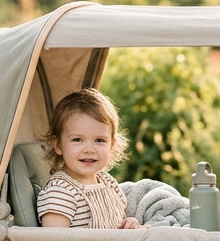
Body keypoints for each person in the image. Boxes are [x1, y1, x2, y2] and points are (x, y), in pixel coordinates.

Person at [36, 88, 143, 229]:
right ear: (58, 145)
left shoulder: (109, 184)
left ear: (112, 145)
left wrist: (129, 224)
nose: (89, 149)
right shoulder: (59, 193)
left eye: (99, 140)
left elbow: (117, 225)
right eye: (77, 139)